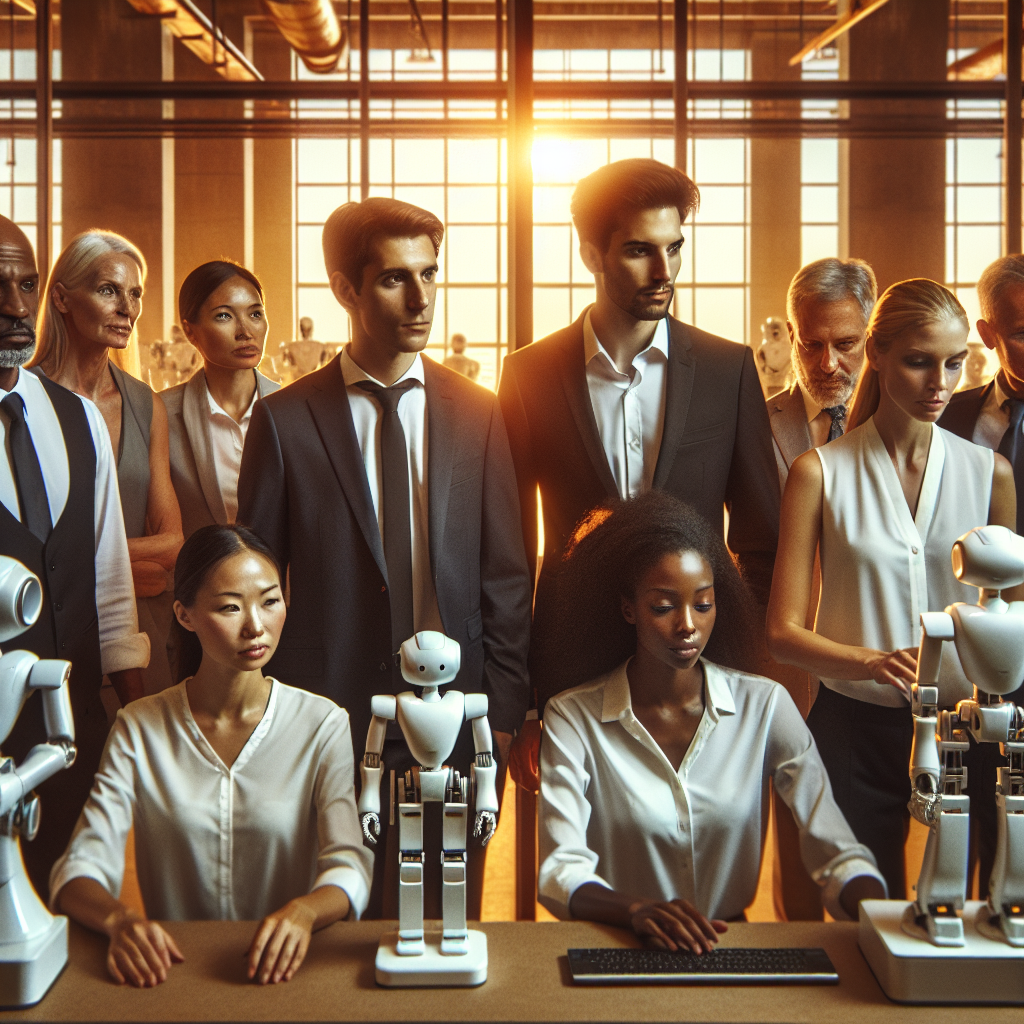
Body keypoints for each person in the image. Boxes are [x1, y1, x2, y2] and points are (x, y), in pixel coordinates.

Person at [237, 197, 532, 919]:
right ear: (345, 289)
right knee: (335, 922)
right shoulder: (283, 420)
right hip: (327, 713)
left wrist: (502, 708)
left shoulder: (478, 411)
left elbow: (506, 573)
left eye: (430, 274)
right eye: (396, 278)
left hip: (456, 712)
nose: (421, 298)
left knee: (446, 914)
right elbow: (254, 584)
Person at [498, 158, 779, 786]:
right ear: (590, 254)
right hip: (572, 667)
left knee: (699, 841)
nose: (664, 271)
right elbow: (510, 555)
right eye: (638, 251)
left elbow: (762, 540)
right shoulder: (529, 376)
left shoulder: (727, 369)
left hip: (701, 674)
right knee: (578, 846)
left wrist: (735, 669)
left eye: (674, 248)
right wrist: (525, 700)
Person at [537, 491, 886, 946]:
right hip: (619, 943)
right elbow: (560, 869)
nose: (688, 624)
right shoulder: (572, 718)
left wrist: (885, 915)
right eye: (663, 607)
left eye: (703, 605)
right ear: (628, 609)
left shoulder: (765, 706)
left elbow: (837, 851)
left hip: (729, 944)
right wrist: (634, 910)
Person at [767, 278, 1018, 901]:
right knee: (864, 910)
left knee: (980, 910)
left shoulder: (991, 474)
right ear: (876, 354)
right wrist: (871, 662)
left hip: (969, 729)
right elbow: (782, 632)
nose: (940, 383)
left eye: (954, 363)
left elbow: (1012, 625)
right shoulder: (818, 473)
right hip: (853, 725)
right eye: (919, 361)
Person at [50, 524, 374, 989]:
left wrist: (304, 912)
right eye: (230, 607)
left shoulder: (322, 724)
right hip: (174, 976)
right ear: (184, 615)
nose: (255, 625)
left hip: (288, 976)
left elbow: (349, 863)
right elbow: (80, 867)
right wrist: (120, 919)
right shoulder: (139, 728)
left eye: (270, 601)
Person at [0, 214, 149, 897]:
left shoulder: (78, 417)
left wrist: (134, 725)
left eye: (26, 284)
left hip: (73, 740)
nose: (15, 306)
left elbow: (109, 587)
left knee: (74, 917)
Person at [763, 257, 877, 923]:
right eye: (811, 345)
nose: (828, 363)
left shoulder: (901, 427)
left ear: (871, 337)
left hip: (873, 667)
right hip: (779, 665)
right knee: (794, 847)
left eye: (846, 343)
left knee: (872, 849)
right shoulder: (755, 421)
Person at [31, 230, 183, 697]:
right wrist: (121, 572)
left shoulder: (146, 405)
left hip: (143, 634)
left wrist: (71, 563)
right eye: (108, 290)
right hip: (45, 637)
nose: (127, 308)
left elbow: (172, 543)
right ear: (61, 298)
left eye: (135, 293)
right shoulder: (17, 401)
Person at [939, 253, 1024, 897]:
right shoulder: (949, 416)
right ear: (988, 333)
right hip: (969, 663)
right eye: (1021, 331)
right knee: (961, 827)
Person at [161, 261, 280, 540]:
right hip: (192, 567)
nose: (245, 331)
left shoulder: (292, 410)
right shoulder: (161, 414)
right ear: (190, 331)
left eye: (255, 314)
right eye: (224, 316)